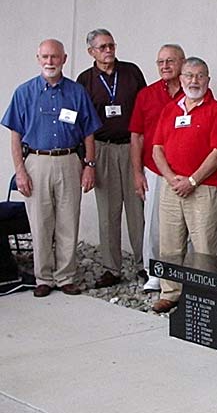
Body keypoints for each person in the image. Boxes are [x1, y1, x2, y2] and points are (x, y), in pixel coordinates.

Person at [1, 39, 101, 297]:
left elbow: (89, 133)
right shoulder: (24, 93)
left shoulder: (77, 93)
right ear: (37, 58)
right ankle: (43, 277)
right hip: (36, 162)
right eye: (45, 57)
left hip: (70, 161)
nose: (50, 62)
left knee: (68, 219)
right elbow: (15, 136)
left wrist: (89, 165)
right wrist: (20, 171)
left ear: (64, 59)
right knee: (40, 221)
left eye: (55, 57)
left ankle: (66, 276)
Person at [150, 57, 217, 313]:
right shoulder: (170, 109)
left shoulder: (216, 110)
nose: (194, 81)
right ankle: (170, 292)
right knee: (170, 244)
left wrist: (193, 180)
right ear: (181, 79)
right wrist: (172, 178)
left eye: (199, 76)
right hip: (172, 186)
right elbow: (156, 149)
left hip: (203, 188)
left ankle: (205, 295)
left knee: (205, 246)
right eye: (189, 75)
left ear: (208, 79)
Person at [77, 29, 146, 289]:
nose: (108, 51)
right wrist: (87, 161)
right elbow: (83, 122)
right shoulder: (85, 80)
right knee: (108, 210)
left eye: (111, 45)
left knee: (136, 208)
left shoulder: (131, 72)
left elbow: (144, 109)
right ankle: (111, 268)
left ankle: (144, 265)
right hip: (102, 148)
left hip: (131, 146)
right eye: (103, 47)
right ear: (91, 52)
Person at [129, 44, 185, 293]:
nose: (165, 66)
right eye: (160, 62)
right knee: (153, 223)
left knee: (183, 224)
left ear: (182, 62)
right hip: (154, 169)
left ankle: (181, 271)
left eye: (170, 61)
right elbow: (137, 137)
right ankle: (153, 271)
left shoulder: (194, 92)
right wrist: (137, 172)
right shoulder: (146, 95)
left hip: (186, 172)